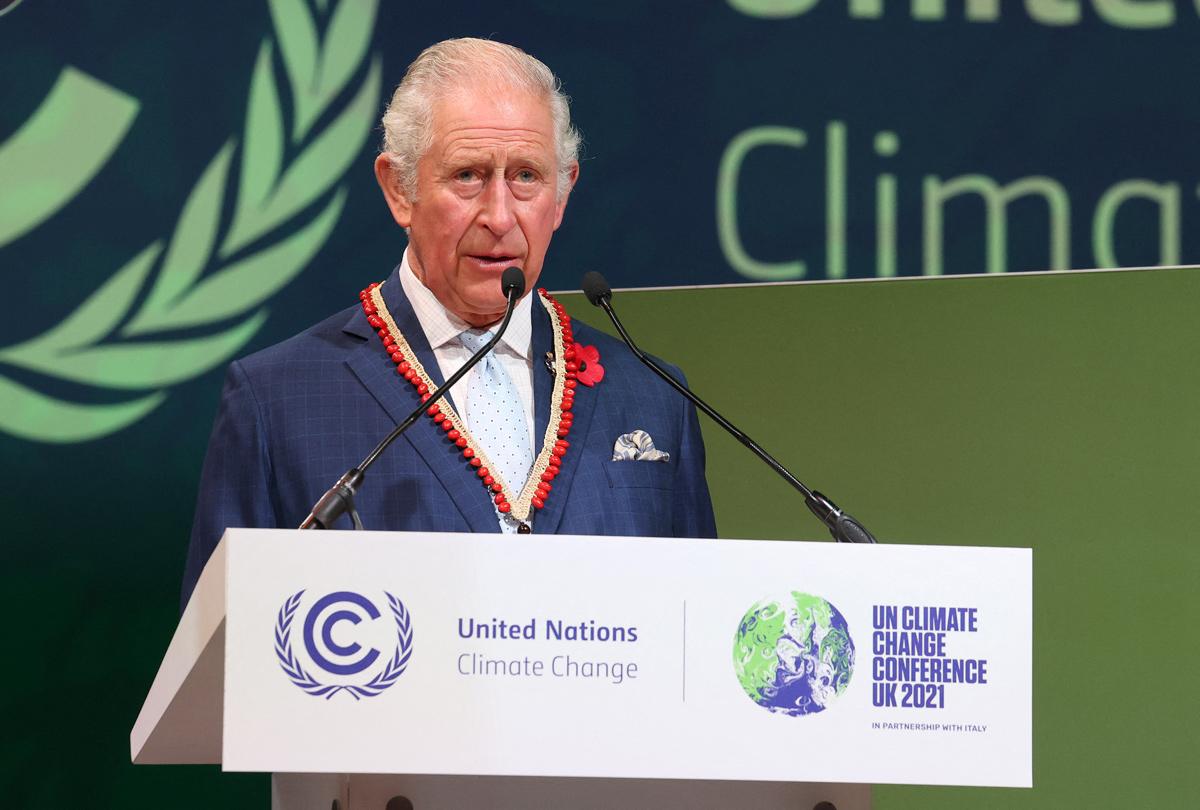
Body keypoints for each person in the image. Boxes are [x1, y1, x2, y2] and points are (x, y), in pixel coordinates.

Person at [181, 38, 716, 607]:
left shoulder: (652, 398)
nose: (500, 215)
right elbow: (219, 660)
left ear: (561, 196)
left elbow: (696, 639)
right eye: (468, 175)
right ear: (399, 189)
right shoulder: (278, 401)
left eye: (528, 177)